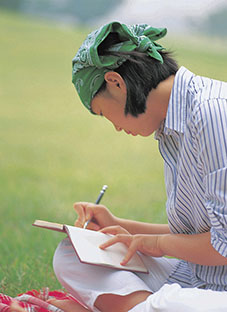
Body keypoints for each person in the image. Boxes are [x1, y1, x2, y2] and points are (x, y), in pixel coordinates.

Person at [53, 22, 227, 311]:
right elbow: (203, 232)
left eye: (103, 113)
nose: (116, 128)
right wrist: (121, 226)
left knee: (169, 304)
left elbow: (223, 245)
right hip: (200, 278)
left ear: (116, 82)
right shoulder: (170, 128)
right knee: (73, 254)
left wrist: (155, 244)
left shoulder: (214, 114)